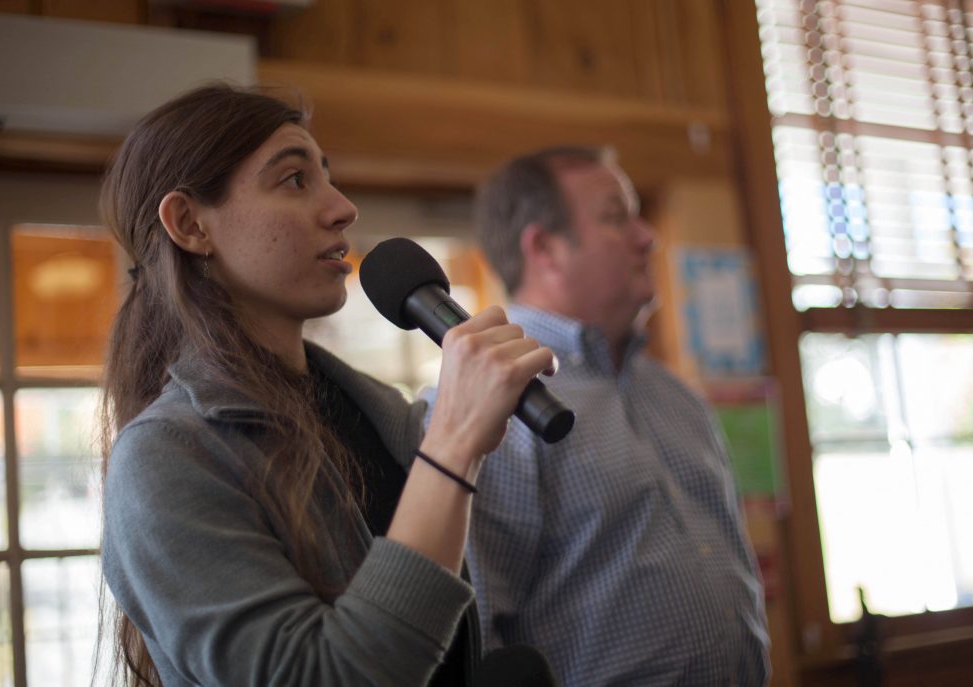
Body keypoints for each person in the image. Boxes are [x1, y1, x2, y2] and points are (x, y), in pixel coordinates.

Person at [96, 84, 555, 687]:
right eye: (294, 180)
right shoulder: (165, 457)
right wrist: (454, 442)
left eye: (328, 177)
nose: (343, 208)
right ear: (189, 224)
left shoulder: (379, 412)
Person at [466, 147, 771, 686]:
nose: (647, 236)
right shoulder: (496, 405)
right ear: (545, 249)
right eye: (616, 217)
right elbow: (477, 637)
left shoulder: (679, 397)